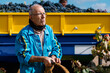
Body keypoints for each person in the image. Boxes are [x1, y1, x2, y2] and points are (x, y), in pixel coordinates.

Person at [15, 4, 62, 73]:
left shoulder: (48, 30)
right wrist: (43, 59)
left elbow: (56, 47)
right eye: (39, 14)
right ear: (31, 17)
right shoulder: (24, 34)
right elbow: (23, 55)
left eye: (44, 13)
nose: (43, 16)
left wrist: (54, 56)